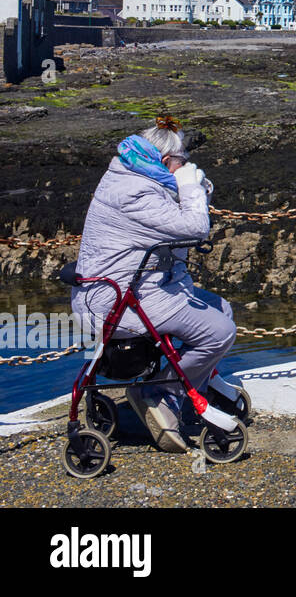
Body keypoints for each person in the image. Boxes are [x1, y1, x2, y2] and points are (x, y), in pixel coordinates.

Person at [73, 116, 236, 451]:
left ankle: (181, 389)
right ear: (165, 162)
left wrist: (193, 191)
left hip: (138, 289)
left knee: (222, 308)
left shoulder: (131, 175)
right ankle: (159, 393)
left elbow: (172, 229)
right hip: (118, 301)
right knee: (219, 332)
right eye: (183, 163)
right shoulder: (134, 194)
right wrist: (190, 189)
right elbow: (193, 229)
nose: (186, 166)